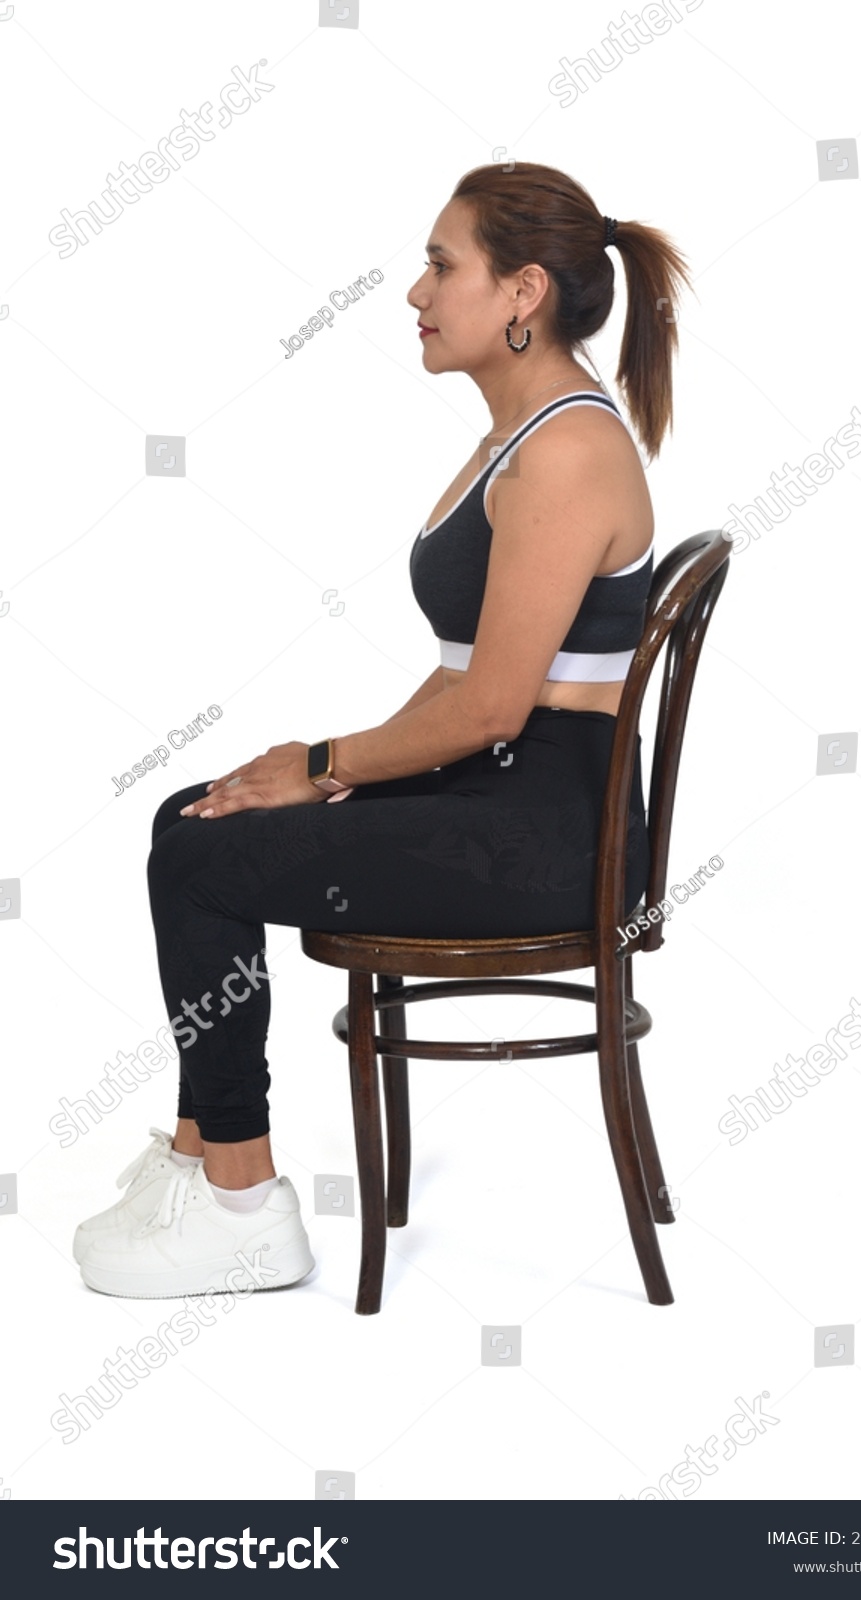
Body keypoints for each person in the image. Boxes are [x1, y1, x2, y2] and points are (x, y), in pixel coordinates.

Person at [73, 160, 691, 1299]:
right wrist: (320, 774)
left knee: (199, 858)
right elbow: (464, 680)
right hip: (503, 791)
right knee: (191, 814)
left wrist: (320, 766)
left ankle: (241, 1205)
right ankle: (204, 1152)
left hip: (543, 836)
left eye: (442, 265)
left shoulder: (564, 451)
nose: (415, 290)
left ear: (522, 294)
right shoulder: (521, 435)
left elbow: (495, 709)